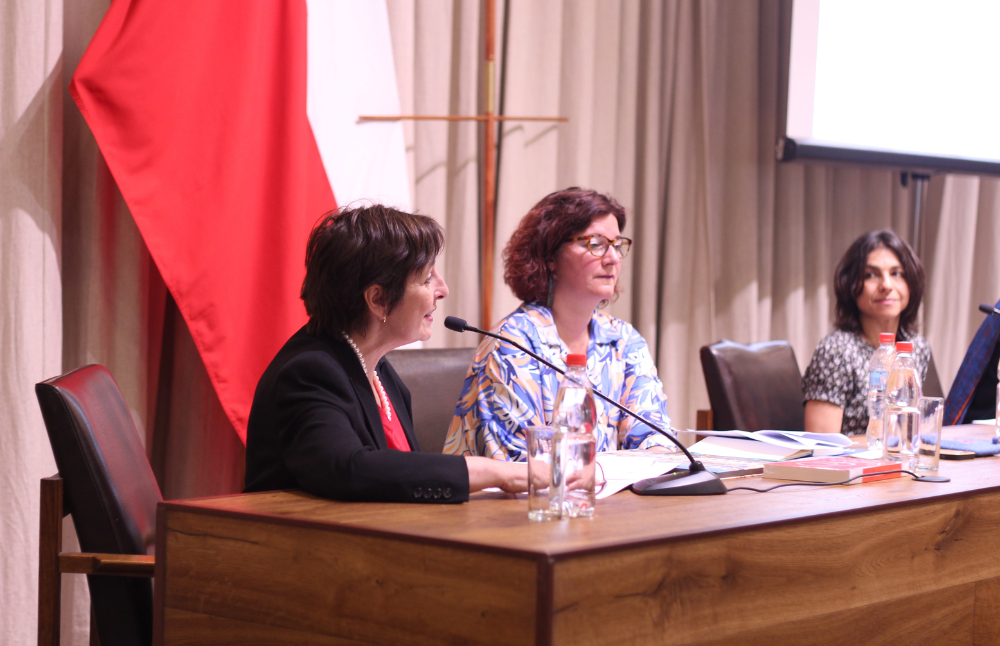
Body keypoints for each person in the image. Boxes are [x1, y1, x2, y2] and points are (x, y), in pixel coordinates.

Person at [244, 205, 528, 502]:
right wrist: (497, 472)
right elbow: (347, 469)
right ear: (378, 299)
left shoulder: (379, 370)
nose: (442, 289)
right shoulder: (309, 371)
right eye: (427, 277)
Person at [443, 187, 676, 461]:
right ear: (550, 257)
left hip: (600, 500)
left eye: (617, 245)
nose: (612, 258)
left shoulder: (623, 340)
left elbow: (657, 437)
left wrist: (645, 458)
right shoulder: (512, 343)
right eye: (596, 243)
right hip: (512, 503)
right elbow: (518, 465)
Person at [802, 229, 931, 435]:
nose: (886, 285)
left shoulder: (916, 347)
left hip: (902, 462)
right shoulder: (836, 351)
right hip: (852, 465)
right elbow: (822, 448)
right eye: (871, 275)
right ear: (851, 286)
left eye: (896, 274)